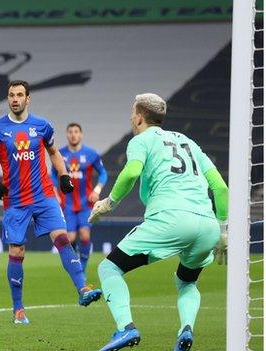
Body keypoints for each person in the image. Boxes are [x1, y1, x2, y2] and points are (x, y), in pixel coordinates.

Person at [89, 93, 228, 351]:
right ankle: (186, 330)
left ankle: (126, 328)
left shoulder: (141, 140)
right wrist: (222, 231)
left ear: (139, 117)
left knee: (109, 269)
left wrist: (109, 203)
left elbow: (131, 172)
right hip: (207, 224)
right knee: (187, 281)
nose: (131, 118)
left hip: (170, 219)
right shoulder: (188, 142)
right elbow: (220, 188)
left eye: (132, 113)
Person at [0, 80, 103, 325]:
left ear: (28, 98)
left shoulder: (42, 125)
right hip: (15, 200)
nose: (14, 99)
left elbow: (54, 152)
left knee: (62, 239)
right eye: (10, 95)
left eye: (19, 95)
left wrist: (64, 175)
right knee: (17, 252)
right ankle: (18, 309)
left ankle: (83, 289)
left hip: (43, 195)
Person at [51, 122, 107, 274]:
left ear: (81, 135)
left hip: (85, 203)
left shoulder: (91, 154)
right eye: (70, 132)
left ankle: (82, 267)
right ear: (67, 135)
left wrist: (97, 190)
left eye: (76, 132)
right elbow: (52, 174)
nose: (73, 134)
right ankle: (76, 263)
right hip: (67, 203)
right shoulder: (60, 154)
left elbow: (103, 173)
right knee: (70, 238)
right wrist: (56, 192)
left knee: (84, 234)